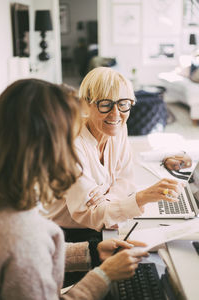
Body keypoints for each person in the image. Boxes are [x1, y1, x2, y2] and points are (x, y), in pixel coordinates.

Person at [0, 78, 148, 300]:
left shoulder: (12, 208)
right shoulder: (25, 236)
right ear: (48, 147)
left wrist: (92, 252)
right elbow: (27, 251)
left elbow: (31, 257)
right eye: (70, 138)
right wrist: (103, 276)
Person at [43, 67, 183, 241]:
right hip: (67, 233)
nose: (116, 114)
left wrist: (105, 201)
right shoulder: (72, 146)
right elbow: (90, 214)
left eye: (123, 103)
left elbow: (125, 180)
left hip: (102, 219)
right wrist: (141, 198)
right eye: (105, 104)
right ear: (86, 104)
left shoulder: (118, 127)